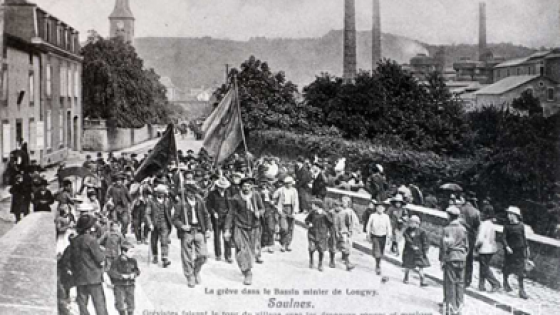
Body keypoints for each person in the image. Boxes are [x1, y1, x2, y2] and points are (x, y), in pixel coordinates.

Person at [59, 215, 108, 315]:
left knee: (82, 304)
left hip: (80, 277)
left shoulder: (74, 241)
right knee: (99, 304)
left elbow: (66, 259)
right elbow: (100, 259)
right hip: (94, 278)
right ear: (89, 228)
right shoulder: (91, 240)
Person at [225, 177, 265, 285]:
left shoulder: (256, 195)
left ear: (252, 186)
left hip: (254, 227)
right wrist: (227, 229)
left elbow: (262, 208)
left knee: (251, 251)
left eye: (248, 186)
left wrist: (259, 213)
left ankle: (245, 266)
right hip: (240, 227)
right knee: (242, 250)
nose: (246, 188)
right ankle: (248, 272)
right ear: (240, 187)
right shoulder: (236, 198)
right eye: (244, 186)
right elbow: (230, 214)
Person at [174, 184, 212, 287]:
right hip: (187, 232)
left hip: (199, 230)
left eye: (194, 193)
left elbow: (206, 215)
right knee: (187, 256)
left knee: (203, 255)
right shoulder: (181, 204)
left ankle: (196, 271)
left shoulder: (200, 202)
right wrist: (182, 226)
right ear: (186, 192)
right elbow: (175, 219)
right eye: (190, 192)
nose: (192, 194)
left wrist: (208, 229)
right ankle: (190, 276)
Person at [439, 206, 468, 315]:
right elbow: (467, 246)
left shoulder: (447, 229)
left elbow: (444, 246)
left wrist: (442, 260)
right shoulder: (463, 229)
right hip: (462, 257)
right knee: (460, 282)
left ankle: (450, 308)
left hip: (451, 257)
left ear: (450, 216)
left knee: (450, 282)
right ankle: (459, 306)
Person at [502, 206, 530, 300]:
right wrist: (507, 247)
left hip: (520, 251)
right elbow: (503, 238)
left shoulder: (521, 225)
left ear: (515, 215)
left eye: (510, 214)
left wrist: (527, 248)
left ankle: (521, 290)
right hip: (510, 251)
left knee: (521, 271)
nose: (508, 216)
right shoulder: (507, 225)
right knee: (507, 267)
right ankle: (505, 282)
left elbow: (523, 237)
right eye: (508, 214)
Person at [145, 184, 174, 268]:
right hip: (154, 224)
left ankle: (165, 258)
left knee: (164, 241)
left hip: (164, 223)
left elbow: (170, 211)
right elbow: (147, 213)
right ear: (156, 193)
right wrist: (150, 224)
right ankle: (155, 255)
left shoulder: (167, 201)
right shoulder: (151, 201)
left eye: (162, 193)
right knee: (154, 241)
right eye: (159, 193)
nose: (161, 195)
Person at [108, 240, 140, 315]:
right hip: (119, 286)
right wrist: (121, 276)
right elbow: (111, 272)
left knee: (131, 303)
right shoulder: (116, 261)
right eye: (131, 252)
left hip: (130, 285)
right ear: (124, 252)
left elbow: (137, 270)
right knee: (120, 303)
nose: (133, 254)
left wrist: (134, 274)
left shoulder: (133, 261)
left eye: (133, 252)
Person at [206, 177, 233, 262]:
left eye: (224, 187)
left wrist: (229, 214)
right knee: (217, 236)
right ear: (217, 186)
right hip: (216, 218)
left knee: (227, 236)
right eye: (221, 187)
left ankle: (228, 256)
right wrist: (213, 212)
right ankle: (218, 254)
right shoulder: (212, 194)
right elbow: (208, 206)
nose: (222, 189)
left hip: (226, 217)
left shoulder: (228, 193)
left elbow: (231, 205)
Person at [475, 207, 500, 293]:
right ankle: (481, 286)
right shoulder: (491, 224)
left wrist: (476, 246)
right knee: (483, 267)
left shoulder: (484, 224)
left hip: (484, 249)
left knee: (484, 268)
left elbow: (480, 239)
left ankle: (495, 283)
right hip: (491, 248)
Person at [273, 176, 300, 252]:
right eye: (287, 183)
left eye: (290, 183)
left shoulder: (294, 190)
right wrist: (276, 205)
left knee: (290, 228)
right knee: (284, 228)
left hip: (291, 209)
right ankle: (283, 243)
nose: (289, 185)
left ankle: (288, 244)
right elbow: (274, 196)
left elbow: (296, 201)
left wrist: (295, 211)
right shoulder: (281, 190)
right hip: (283, 208)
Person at [365, 199, 392, 275]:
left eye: (382, 208)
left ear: (384, 209)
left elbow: (389, 227)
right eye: (378, 207)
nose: (380, 209)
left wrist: (389, 236)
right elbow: (369, 225)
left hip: (383, 236)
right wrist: (368, 234)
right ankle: (377, 266)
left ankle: (378, 262)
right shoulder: (373, 216)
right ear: (376, 208)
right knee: (377, 251)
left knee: (381, 251)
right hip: (375, 236)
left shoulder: (386, 217)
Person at [460, 192, 481, 288]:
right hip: (471, 236)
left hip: (460, 234)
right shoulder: (476, 212)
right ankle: (467, 280)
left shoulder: (460, 209)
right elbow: (477, 226)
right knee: (469, 258)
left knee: (459, 255)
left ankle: (459, 277)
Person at [305, 199, 332, 272]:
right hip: (312, 233)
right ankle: (311, 261)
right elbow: (307, 220)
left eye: (313, 205)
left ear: (317, 206)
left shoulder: (325, 215)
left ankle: (320, 263)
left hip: (322, 234)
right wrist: (308, 223)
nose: (312, 206)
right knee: (311, 248)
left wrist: (328, 232)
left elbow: (330, 223)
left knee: (321, 250)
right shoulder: (312, 213)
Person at [402, 215, 430, 286]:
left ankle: (422, 280)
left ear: (417, 223)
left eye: (413, 223)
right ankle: (406, 277)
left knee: (421, 266)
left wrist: (425, 249)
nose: (411, 224)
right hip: (409, 251)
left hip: (419, 252)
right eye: (410, 222)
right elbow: (407, 239)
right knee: (408, 265)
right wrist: (412, 246)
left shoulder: (422, 232)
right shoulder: (407, 230)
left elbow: (425, 241)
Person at [333, 196, 356, 271]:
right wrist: (336, 232)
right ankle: (346, 263)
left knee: (346, 246)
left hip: (345, 232)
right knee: (342, 246)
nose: (344, 204)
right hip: (340, 232)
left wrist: (350, 230)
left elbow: (351, 222)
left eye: (345, 202)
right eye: (342, 202)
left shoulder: (349, 212)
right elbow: (336, 223)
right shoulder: (338, 212)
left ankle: (346, 261)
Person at [259, 178, 278, 254]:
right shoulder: (257, 191)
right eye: (262, 183)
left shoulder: (272, 190)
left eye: (265, 183)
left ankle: (270, 244)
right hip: (262, 209)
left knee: (270, 227)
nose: (264, 184)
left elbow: (276, 198)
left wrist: (273, 202)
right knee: (263, 228)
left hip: (270, 209)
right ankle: (263, 244)